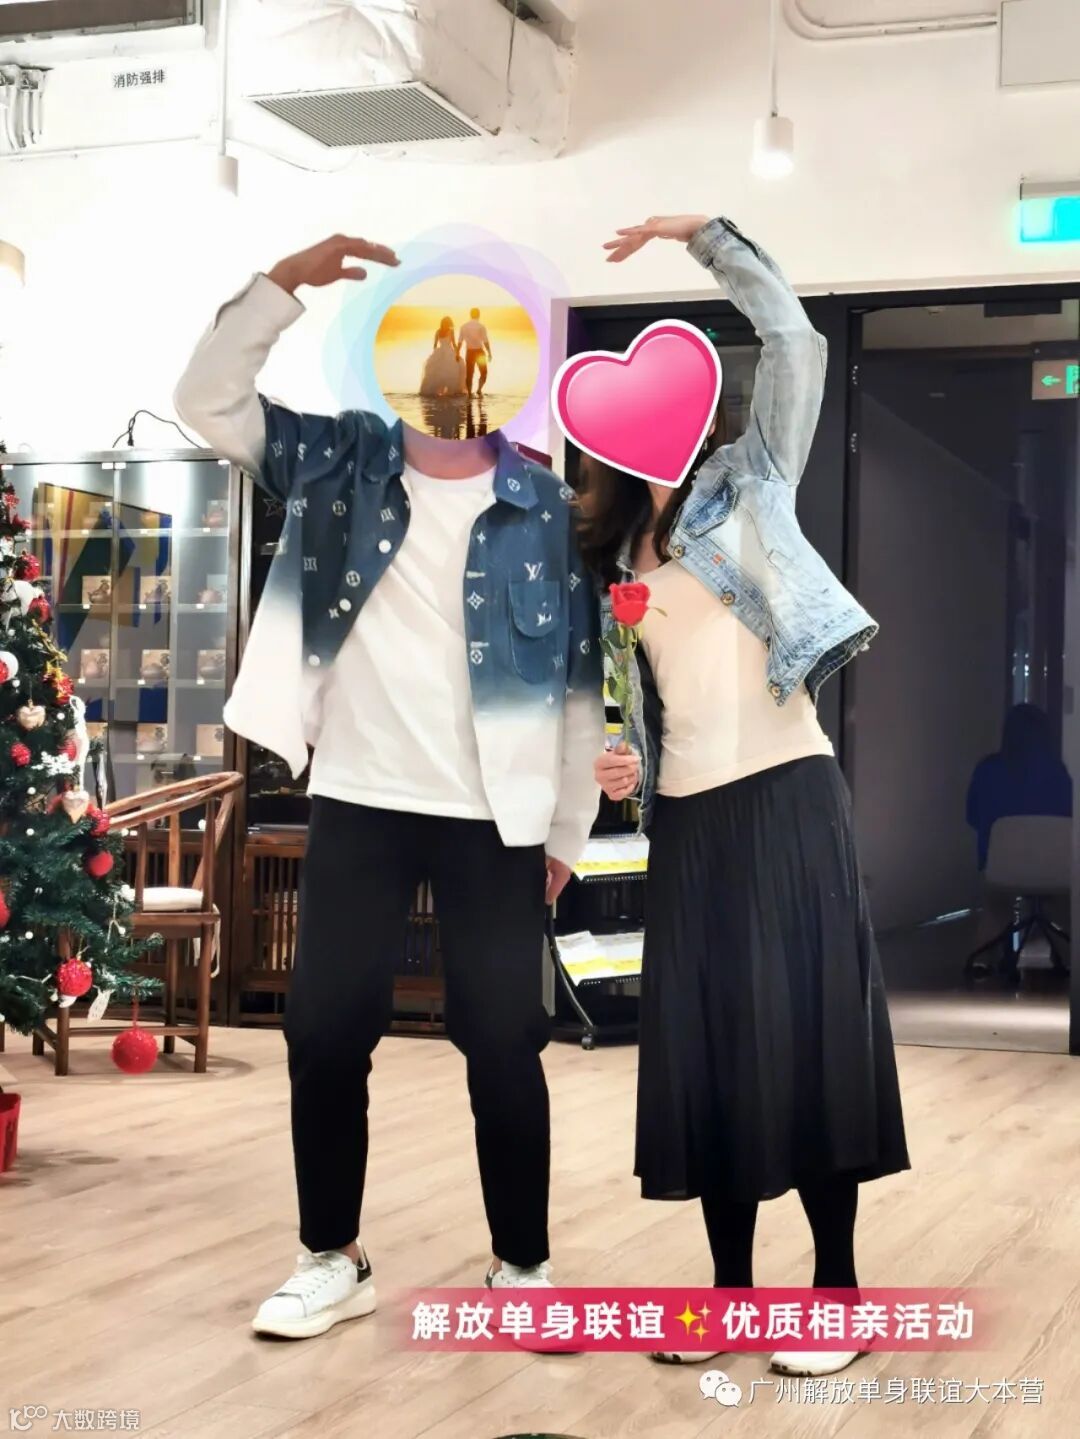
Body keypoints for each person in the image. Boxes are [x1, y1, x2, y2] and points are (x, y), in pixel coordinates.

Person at [174, 233, 604, 1340]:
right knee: (323, 1031)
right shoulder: (341, 462)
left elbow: (576, 680)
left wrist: (566, 827)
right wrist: (281, 284)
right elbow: (205, 401)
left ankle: (523, 1267)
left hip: (494, 815)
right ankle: (332, 1254)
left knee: (504, 1040)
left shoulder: (544, 504)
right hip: (361, 796)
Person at [580, 213, 910, 1379]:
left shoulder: (751, 479)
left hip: (789, 796)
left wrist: (705, 235)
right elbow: (641, 704)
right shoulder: (613, 558)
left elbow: (796, 338)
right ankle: (728, 1294)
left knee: (810, 1035)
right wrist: (622, 763)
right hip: (693, 819)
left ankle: (835, 1295)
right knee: (712, 1046)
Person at [966, 702, 1072, 960]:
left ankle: (982, 961)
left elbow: (972, 817)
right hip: (1053, 868)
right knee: (1065, 905)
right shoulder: (1057, 773)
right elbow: (1069, 820)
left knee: (996, 906)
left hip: (1000, 868)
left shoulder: (987, 770)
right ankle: (1068, 958)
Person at [420, 315, 466, 397]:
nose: (447, 325)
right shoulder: (450, 331)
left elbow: (435, 345)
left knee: (439, 372)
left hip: (440, 351)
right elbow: (453, 343)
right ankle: (451, 392)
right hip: (448, 352)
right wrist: (457, 353)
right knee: (452, 369)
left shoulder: (438, 331)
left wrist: (435, 355)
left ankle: (439, 391)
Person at [459, 307, 492, 395]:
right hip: (479, 352)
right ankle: (479, 390)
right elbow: (485, 341)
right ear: (479, 315)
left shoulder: (463, 326)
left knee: (469, 374)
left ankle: (469, 394)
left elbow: (460, 341)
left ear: (470, 315)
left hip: (469, 352)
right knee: (484, 372)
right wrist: (489, 353)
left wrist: (457, 353)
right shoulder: (481, 326)